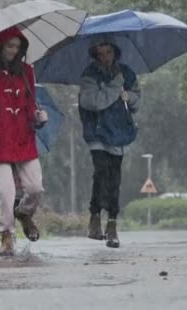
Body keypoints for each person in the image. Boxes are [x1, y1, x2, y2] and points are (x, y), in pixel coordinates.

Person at [0, 26, 48, 256]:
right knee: (6, 191)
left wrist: (38, 117)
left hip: (23, 138)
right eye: (9, 46)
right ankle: (6, 234)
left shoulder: (26, 71)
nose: (13, 50)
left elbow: (31, 104)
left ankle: (24, 213)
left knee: (35, 188)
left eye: (17, 46)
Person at [78, 38, 141, 248]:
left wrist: (129, 96)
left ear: (115, 52)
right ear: (95, 55)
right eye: (100, 53)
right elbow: (94, 102)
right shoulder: (89, 75)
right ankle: (95, 216)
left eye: (108, 52)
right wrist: (116, 87)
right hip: (96, 132)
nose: (105, 57)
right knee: (101, 171)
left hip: (119, 132)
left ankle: (112, 223)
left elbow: (137, 101)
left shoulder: (127, 73)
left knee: (115, 178)